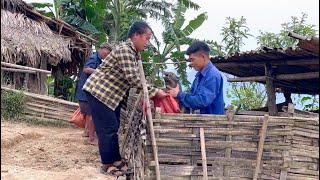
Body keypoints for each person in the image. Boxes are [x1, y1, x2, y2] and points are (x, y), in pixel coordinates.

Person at [83, 21, 167, 176]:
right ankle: (107, 164)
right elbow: (135, 79)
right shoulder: (125, 51)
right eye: (146, 38)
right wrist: (156, 91)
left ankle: (115, 159)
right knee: (107, 129)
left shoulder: (134, 53)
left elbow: (136, 78)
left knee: (113, 127)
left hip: (110, 96)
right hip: (99, 92)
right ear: (136, 36)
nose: (147, 43)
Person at [168, 41, 225, 115]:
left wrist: (179, 95)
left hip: (213, 123)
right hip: (203, 122)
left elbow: (202, 101)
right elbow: (193, 96)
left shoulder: (212, 75)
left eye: (192, 59)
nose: (191, 63)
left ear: (203, 57)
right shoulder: (199, 76)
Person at [75, 43, 112, 145]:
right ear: (102, 49)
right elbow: (86, 69)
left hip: (86, 91)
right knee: (92, 114)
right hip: (86, 91)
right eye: (107, 53)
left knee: (89, 114)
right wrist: (100, 73)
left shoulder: (98, 59)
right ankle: (91, 138)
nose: (107, 55)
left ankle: (87, 133)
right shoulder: (94, 57)